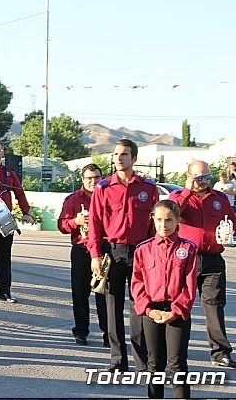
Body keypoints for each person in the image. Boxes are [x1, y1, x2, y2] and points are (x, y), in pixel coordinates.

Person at [88, 138, 159, 372]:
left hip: (141, 253)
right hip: (113, 252)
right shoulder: (104, 188)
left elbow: (154, 226)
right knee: (113, 307)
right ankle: (117, 360)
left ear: (134, 159)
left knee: (140, 307)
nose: (118, 158)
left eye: (124, 154)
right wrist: (95, 256)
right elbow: (95, 225)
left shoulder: (148, 189)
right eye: (116, 154)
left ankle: (143, 362)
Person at [169, 161, 236, 368]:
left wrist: (230, 233)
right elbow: (172, 213)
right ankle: (174, 352)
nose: (204, 182)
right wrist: (188, 190)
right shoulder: (179, 197)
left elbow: (231, 222)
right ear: (189, 176)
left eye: (207, 177)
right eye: (199, 178)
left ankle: (220, 352)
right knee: (179, 305)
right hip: (184, 258)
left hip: (213, 259)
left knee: (214, 305)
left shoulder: (219, 198)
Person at [131, 200, 197, 398]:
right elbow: (137, 283)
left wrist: (175, 311)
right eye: (159, 220)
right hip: (152, 311)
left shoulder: (188, 248)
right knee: (154, 363)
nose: (163, 225)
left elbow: (189, 285)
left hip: (177, 313)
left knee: (177, 363)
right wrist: (149, 310)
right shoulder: (143, 249)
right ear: (153, 219)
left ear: (178, 221)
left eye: (169, 220)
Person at [58, 163, 109, 347]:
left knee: (105, 295)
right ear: (82, 179)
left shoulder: (108, 196)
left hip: (104, 250)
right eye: (89, 178)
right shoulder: (73, 200)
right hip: (81, 250)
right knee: (80, 293)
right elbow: (62, 225)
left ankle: (108, 334)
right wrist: (75, 221)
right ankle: (81, 331)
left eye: (96, 177)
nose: (93, 181)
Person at [0, 139, 33, 304]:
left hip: (5, 219)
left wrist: (26, 212)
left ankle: (4, 291)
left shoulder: (9, 173)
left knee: (5, 257)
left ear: (2, 153)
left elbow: (20, 194)